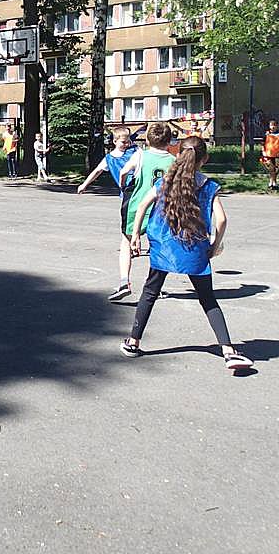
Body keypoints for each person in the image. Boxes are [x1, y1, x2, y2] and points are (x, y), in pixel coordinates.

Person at [123, 136, 254, 372]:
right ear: (205, 159)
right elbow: (222, 220)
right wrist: (214, 245)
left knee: (150, 292)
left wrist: (135, 236)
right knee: (207, 298)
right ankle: (228, 351)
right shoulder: (209, 186)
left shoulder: (164, 182)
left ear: (179, 154)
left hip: (164, 247)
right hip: (194, 248)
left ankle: (133, 342)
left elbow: (142, 206)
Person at [107, 123, 177, 300]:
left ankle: (124, 282)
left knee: (126, 241)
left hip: (137, 206)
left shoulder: (140, 155)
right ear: (169, 141)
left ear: (147, 140)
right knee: (156, 247)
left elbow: (123, 172)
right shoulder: (173, 160)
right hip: (161, 210)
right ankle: (154, 286)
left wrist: (123, 185)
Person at [76, 126, 138, 300]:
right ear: (114, 141)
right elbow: (96, 171)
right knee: (128, 238)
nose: (127, 144)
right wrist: (85, 184)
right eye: (123, 141)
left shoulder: (135, 152)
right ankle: (129, 282)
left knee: (130, 239)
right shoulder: (110, 158)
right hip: (128, 197)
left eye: (128, 141)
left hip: (136, 193)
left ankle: (140, 284)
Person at [260, 119, 279, 190]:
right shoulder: (266, 134)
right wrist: (263, 151)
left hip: (278, 155)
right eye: (271, 125)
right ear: (269, 126)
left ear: (277, 126)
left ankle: (273, 181)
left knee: (277, 168)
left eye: (274, 125)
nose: (273, 127)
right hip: (268, 154)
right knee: (271, 169)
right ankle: (272, 183)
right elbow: (262, 143)